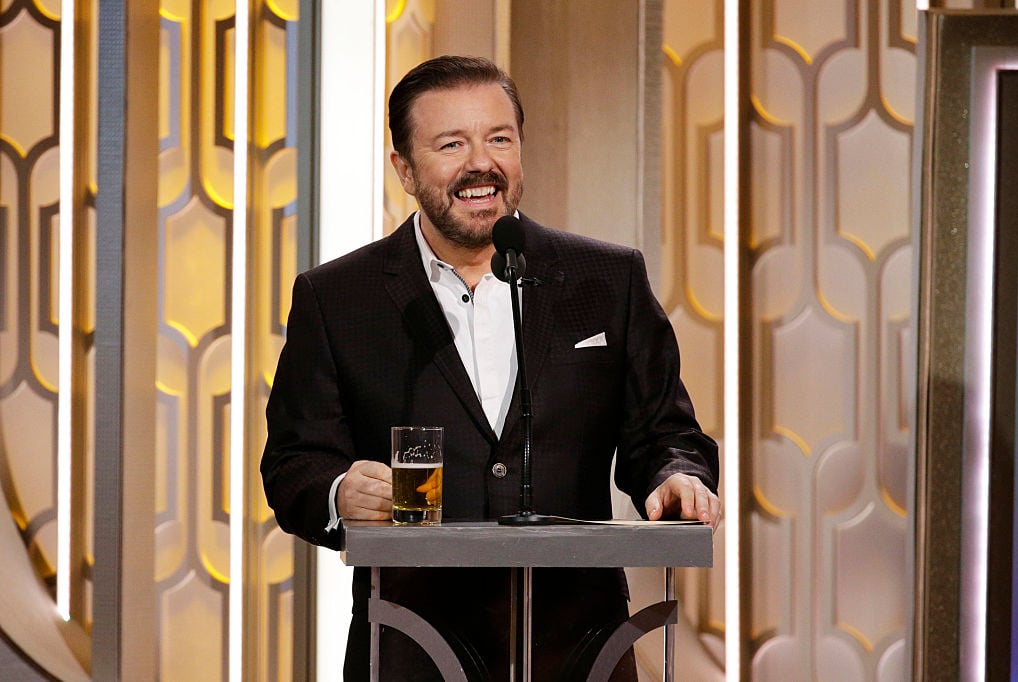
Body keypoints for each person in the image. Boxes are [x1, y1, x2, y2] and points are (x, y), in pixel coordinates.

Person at [261, 55, 720, 681]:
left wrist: (676, 476)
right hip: (410, 648)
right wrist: (343, 493)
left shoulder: (606, 280)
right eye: (452, 144)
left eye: (499, 139)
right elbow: (293, 463)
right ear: (404, 168)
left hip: (579, 651)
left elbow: (665, 435)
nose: (482, 163)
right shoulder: (338, 298)